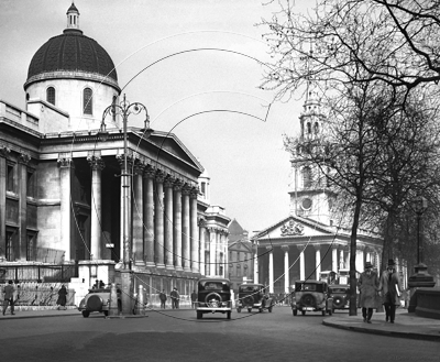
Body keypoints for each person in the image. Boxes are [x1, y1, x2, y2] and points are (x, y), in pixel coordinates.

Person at [379, 259, 402, 323]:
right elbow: (381, 282)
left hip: (393, 292)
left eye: (392, 265)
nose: (391, 266)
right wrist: (379, 289)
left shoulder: (396, 274)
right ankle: (387, 315)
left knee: (393, 306)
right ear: (388, 266)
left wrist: (400, 290)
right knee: (386, 305)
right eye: (390, 265)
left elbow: (399, 283)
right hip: (386, 292)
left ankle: (392, 318)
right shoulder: (384, 273)